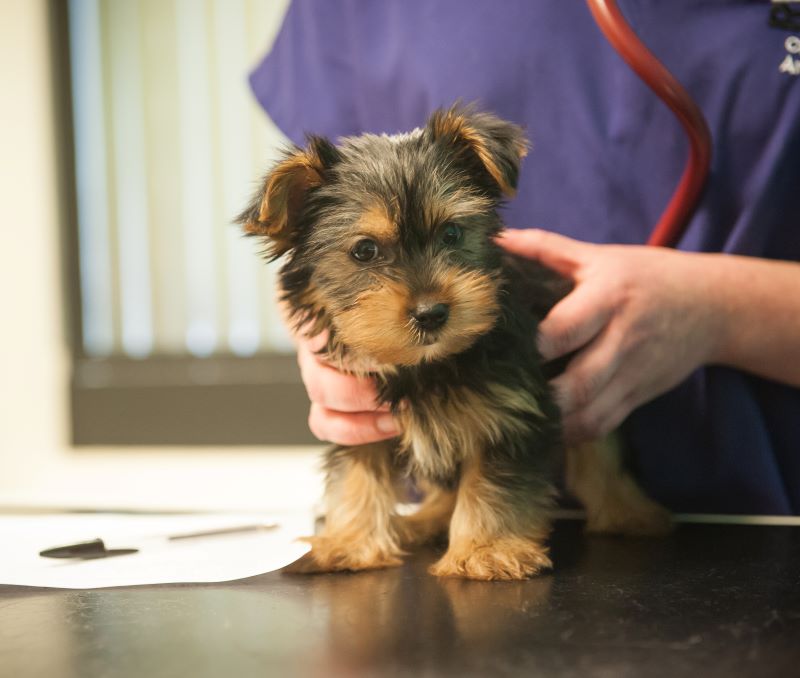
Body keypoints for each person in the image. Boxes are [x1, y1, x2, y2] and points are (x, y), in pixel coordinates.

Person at [248, 0, 800, 514]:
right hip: (435, 516)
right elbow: (308, 232)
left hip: (758, 506)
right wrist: (320, 317)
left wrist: (723, 308)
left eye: (451, 236)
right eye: (369, 250)